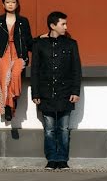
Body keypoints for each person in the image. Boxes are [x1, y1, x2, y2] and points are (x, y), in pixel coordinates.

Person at [30, 11, 81, 170]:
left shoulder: (71, 44)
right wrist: (35, 93)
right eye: (63, 24)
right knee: (50, 129)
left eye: (66, 24)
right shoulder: (39, 44)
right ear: (53, 25)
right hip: (46, 94)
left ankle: (63, 160)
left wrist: (75, 91)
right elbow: (35, 71)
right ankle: (51, 159)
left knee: (64, 129)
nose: (66, 27)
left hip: (66, 93)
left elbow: (76, 70)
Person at [0, 0, 33, 122]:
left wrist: (41, 41)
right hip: (3, 53)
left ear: (17, 4)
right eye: (8, 2)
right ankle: (9, 106)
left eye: (13, 2)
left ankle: (11, 101)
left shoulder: (23, 21)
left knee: (16, 73)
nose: (10, 4)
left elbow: (28, 40)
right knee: (4, 74)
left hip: (19, 54)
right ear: (3, 4)